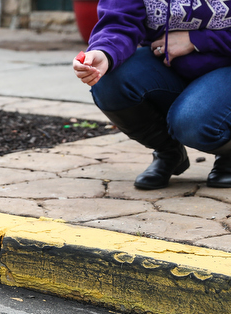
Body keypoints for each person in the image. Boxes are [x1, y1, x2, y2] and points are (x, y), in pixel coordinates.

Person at [72, 1, 231, 189]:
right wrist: (104, 52)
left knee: (191, 122)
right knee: (109, 81)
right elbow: (120, 21)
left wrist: (197, 40)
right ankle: (169, 152)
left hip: (226, 65)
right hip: (167, 62)